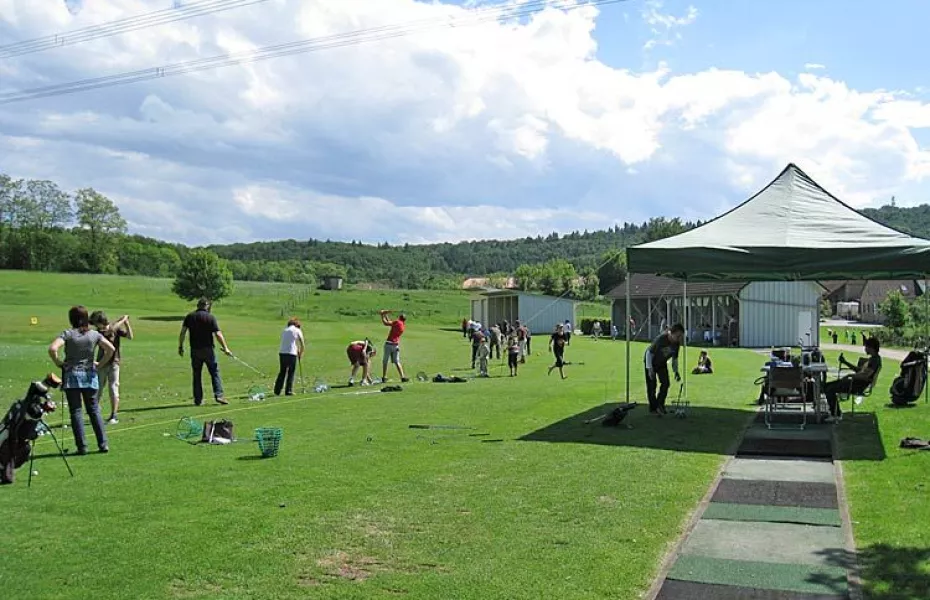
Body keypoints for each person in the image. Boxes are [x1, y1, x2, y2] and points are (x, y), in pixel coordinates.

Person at [48, 305, 115, 454]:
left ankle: (82, 446)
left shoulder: (68, 334)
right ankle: (103, 444)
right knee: (94, 410)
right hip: (89, 376)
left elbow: (53, 349)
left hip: (72, 376)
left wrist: (59, 363)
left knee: (76, 411)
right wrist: (99, 364)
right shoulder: (94, 335)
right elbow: (110, 349)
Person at [178, 298, 232, 406]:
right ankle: (219, 395)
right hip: (208, 350)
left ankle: (198, 400)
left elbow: (183, 332)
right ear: (206, 306)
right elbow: (218, 334)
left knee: (197, 374)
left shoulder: (190, 316)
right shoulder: (210, 317)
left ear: (198, 305)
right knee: (214, 372)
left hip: (195, 350)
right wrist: (225, 347)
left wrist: (180, 346)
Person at [89, 311, 133, 425]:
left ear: (100, 321)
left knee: (114, 389)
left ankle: (114, 415)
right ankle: (94, 414)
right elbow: (111, 330)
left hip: (114, 363)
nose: (95, 326)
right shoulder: (100, 332)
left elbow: (130, 336)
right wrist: (122, 320)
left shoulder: (115, 328)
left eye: (96, 323)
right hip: (101, 364)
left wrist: (126, 323)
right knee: (97, 389)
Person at [823, 337, 882, 420]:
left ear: (871, 348)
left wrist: (850, 376)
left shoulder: (875, 360)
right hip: (854, 382)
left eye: (866, 347)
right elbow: (859, 370)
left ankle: (836, 414)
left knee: (830, 389)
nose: (865, 349)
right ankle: (835, 411)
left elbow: (865, 376)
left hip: (857, 385)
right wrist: (845, 362)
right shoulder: (872, 359)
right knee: (826, 386)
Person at [644, 324, 684, 415]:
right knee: (651, 386)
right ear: (671, 333)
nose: (679, 338)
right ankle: (653, 409)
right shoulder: (661, 339)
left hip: (662, 363)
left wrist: (676, 371)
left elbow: (674, 359)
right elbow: (649, 353)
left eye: (681, 336)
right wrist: (650, 369)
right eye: (678, 336)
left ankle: (660, 405)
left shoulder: (676, 343)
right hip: (651, 362)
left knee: (666, 383)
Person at [274, 317, 305, 396]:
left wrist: (296, 348)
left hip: (282, 353)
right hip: (291, 354)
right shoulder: (297, 330)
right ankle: (288, 391)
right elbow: (302, 344)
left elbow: (289, 342)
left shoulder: (285, 330)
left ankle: (277, 391)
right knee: (291, 372)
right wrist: (300, 353)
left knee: (282, 371)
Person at [380, 310, 409, 383]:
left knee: (385, 361)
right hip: (395, 345)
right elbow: (390, 322)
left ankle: (384, 377)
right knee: (397, 362)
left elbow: (385, 323)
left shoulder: (397, 322)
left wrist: (382, 315)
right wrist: (386, 315)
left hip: (388, 344)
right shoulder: (402, 325)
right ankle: (402, 377)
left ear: (400, 317)